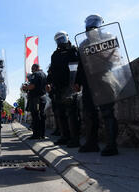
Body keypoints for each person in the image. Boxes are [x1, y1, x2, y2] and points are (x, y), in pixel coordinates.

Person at [75, 14, 119, 156]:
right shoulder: (82, 44)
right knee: (89, 113)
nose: (91, 25)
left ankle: (112, 145)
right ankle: (91, 143)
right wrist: (77, 82)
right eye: (89, 22)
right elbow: (81, 65)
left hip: (104, 77)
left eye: (94, 22)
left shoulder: (107, 38)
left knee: (107, 112)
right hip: (88, 82)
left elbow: (115, 59)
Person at [46, 31, 81, 148]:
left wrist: (77, 82)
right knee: (60, 113)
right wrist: (49, 83)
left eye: (62, 39)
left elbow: (78, 67)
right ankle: (65, 136)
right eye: (58, 40)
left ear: (66, 38)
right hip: (58, 88)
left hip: (70, 85)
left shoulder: (73, 51)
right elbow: (52, 71)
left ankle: (75, 139)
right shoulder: (55, 55)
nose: (60, 42)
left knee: (72, 113)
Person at [22, 64, 47, 140]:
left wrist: (25, 87)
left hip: (36, 99)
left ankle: (36, 134)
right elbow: (47, 87)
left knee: (36, 115)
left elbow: (32, 86)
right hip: (43, 97)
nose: (31, 70)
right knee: (42, 115)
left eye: (32, 69)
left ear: (35, 68)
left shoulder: (35, 74)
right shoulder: (44, 74)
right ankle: (42, 134)